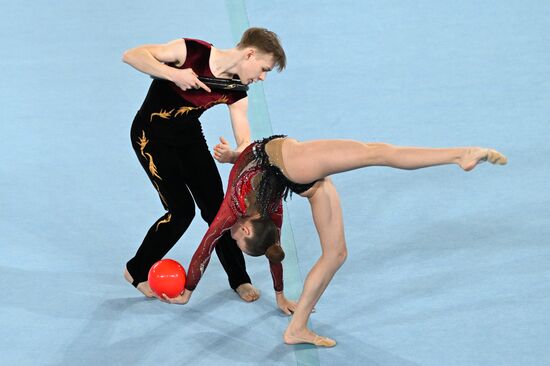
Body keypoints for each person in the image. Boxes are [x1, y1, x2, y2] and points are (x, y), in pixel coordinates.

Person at [160, 135, 507, 347]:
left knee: (336, 254)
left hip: (300, 180)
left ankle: (296, 328)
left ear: (248, 230)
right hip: (289, 161)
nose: (230, 238)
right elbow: (211, 245)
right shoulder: (246, 212)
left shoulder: (258, 215)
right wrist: (189, 290)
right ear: (248, 229)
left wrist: (191, 291)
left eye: (234, 241)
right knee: (376, 152)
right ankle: (459, 155)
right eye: (236, 242)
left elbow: (237, 249)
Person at [121, 28, 286, 302]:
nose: (262, 77)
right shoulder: (191, 52)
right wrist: (174, 74)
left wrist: (234, 154)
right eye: (264, 68)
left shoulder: (237, 92)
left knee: (216, 208)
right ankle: (136, 270)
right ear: (250, 54)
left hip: (189, 139)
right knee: (181, 211)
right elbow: (132, 55)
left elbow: (244, 139)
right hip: (150, 138)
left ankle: (239, 278)